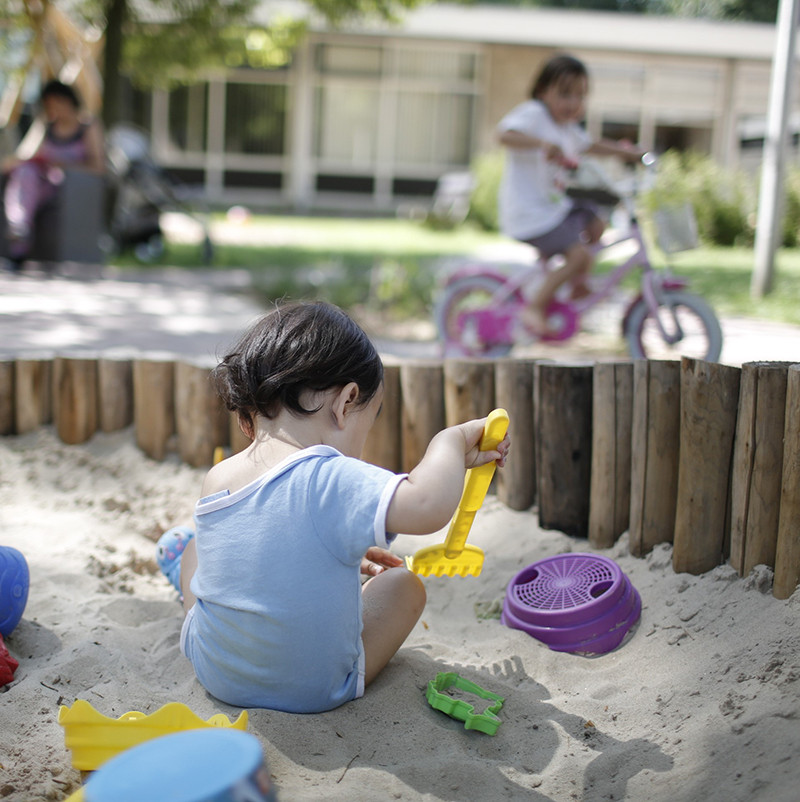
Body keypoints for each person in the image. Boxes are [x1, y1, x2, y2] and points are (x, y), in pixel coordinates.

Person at [156, 301, 510, 713]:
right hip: (313, 690)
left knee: (198, 547)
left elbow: (271, 530)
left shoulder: (218, 477)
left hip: (216, 673)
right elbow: (428, 505)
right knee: (403, 586)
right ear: (346, 402)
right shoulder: (331, 475)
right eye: (369, 421)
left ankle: (178, 557)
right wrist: (448, 444)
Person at [496, 53, 646, 336]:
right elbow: (503, 136)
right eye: (565, 94)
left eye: (580, 96)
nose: (573, 103)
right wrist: (541, 144)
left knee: (597, 223)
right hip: (529, 214)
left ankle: (578, 283)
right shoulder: (534, 114)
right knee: (578, 255)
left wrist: (626, 152)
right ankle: (535, 306)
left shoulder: (566, 129)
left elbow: (591, 145)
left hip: (553, 209)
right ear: (543, 91)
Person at [1, 79, 105, 268]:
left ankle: (20, 238)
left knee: (34, 181)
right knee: (25, 174)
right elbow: (25, 155)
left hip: (70, 187)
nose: (52, 109)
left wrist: (63, 165)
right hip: (39, 181)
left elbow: (98, 166)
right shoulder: (45, 126)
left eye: (56, 103)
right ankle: (19, 231)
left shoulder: (88, 126)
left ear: (68, 101)